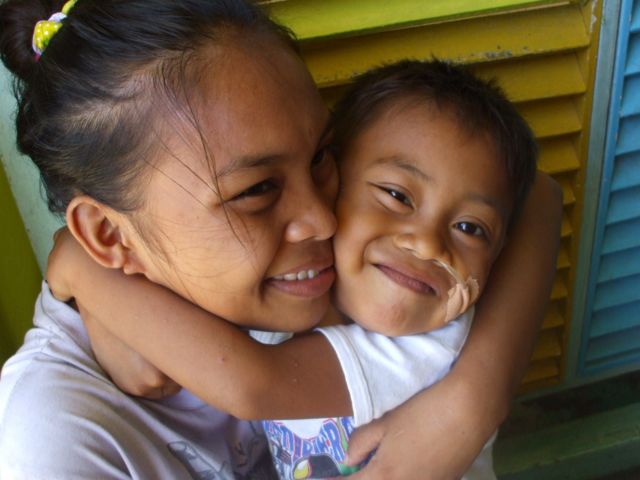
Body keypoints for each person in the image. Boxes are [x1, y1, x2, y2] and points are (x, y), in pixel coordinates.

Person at [0, 0, 563, 479]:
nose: (323, 219)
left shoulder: (365, 280)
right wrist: (84, 273)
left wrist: (474, 399)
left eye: (321, 156)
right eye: (257, 189)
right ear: (107, 234)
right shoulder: (54, 445)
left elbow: (532, 190)